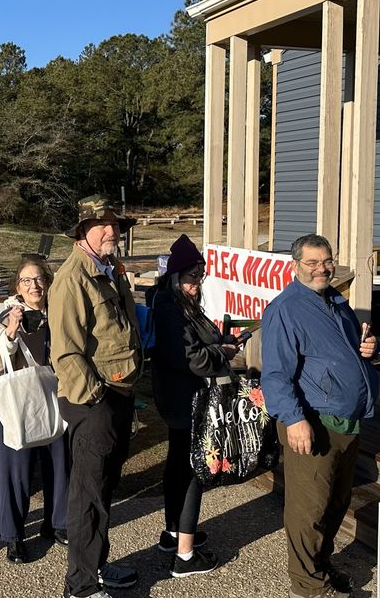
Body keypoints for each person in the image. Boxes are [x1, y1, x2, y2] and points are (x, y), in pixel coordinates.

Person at [261, 233, 379, 598]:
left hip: (347, 420)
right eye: (312, 262)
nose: (321, 269)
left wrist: (366, 349)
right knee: (308, 509)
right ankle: (308, 586)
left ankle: (321, 567)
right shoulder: (286, 308)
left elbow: (343, 353)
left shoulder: (336, 302)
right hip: (313, 421)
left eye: (326, 261)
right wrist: (295, 420)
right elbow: (276, 375)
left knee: (336, 503)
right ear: (295, 265)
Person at [48, 194, 143, 598]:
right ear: (83, 231)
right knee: (87, 496)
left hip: (118, 393)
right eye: (102, 224)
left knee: (104, 489)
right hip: (94, 402)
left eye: (115, 224)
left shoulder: (108, 270)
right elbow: (66, 353)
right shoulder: (72, 279)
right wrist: (97, 402)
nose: (112, 231)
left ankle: (97, 567)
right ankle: (81, 586)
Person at [149, 234, 228, 579]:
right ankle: (185, 554)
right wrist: (222, 353)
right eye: (192, 277)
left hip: (183, 398)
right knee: (192, 472)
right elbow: (190, 358)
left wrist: (221, 342)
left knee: (178, 467)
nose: (197, 284)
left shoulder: (179, 303)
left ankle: (173, 533)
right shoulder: (170, 307)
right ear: (175, 276)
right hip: (184, 399)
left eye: (200, 276)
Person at [0, 256, 69, 565]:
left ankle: (57, 523)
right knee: (14, 474)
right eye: (27, 281)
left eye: (39, 279)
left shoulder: (57, 314)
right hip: (16, 408)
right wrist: (10, 334)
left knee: (60, 465)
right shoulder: (7, 316)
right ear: (17, 286)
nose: (34, 285)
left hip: (53, 401)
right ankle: (13, 536)